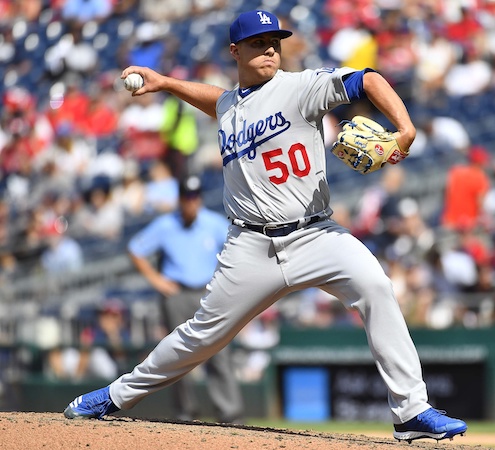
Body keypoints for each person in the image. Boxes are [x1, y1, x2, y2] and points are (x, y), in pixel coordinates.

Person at [62, 9, 467, 443]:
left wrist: (403, 129)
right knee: (202, 337)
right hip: (249, 246)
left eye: (274, 41)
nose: (270, 48)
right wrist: (168, 83)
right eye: (258, 43)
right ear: (235, 51)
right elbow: (219, 101)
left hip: (315, 234)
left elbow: (368, 79)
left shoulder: (299, 87)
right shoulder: (230, 105)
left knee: (375, 286)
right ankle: (114, 396)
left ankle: (410, 412)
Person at [125, 175, 243, 423]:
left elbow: (237, 251)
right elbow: (135, 249)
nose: (190, 202)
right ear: (179, 199)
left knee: (218, 352)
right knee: (178, 355)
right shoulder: (166, 224)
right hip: (176, 293)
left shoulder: (213, 223)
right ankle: (184, 413)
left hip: (209, 293)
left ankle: (230, 413)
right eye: (186, 197)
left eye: (194, 197)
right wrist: (156, 280)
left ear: (199, 198)